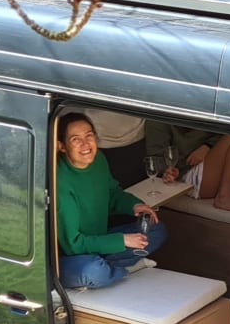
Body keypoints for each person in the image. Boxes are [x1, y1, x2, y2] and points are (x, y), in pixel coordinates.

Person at [56, 112, 167, 289]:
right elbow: (73, 245)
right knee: (92, 271)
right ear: (61, 146)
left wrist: (134, 205)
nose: (86, 144)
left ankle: (109, 267)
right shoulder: (60, 180)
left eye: (89, 135)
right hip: (69, 257)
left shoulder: (98, 159)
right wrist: (122, 241)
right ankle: (123, 270)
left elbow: (112, 194)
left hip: (98, 241)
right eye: (76, 139)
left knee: (156, 229)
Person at [150, 125, 230, 213]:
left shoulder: (198, 107)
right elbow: (156, 160)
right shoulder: (157, 121)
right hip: (185, 174)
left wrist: (207, 146)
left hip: (206, 158)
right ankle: (224, 195)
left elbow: (220, 130)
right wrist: (172, 171)